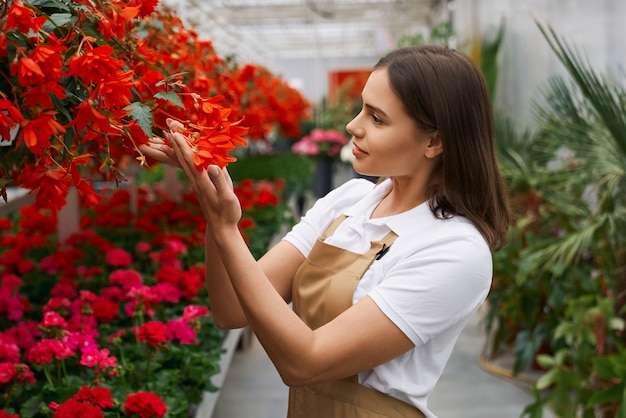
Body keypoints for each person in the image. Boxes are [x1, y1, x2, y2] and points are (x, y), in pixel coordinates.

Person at [139, 44, 511, 418]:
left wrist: (225, 228)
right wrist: (212, 201)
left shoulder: (454, 249)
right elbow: (231, 310)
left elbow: (305, 363)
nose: (353, 125)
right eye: (362, 108)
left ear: (434, 141)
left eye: (377, 119)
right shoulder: (349, 202)